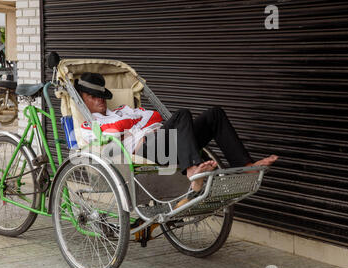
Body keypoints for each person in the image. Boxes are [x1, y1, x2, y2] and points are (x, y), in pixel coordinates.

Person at [76, 72, 278, 197]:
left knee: (215, 114)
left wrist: (127, 126)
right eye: (92, 96)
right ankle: (192, 169)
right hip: (146, 151)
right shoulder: (89, 125)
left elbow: (154, 116)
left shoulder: (123, 109)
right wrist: (132, 125)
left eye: (101, 95)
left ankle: (245, 166)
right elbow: (110, 136)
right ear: (82, 99)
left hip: (168, 141)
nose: (99, 100)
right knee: (183, 115)